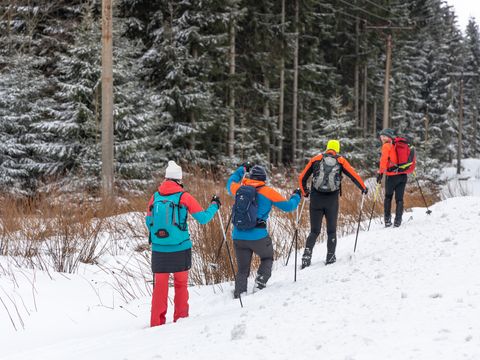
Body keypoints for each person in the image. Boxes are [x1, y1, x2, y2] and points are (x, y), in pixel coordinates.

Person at [146, 160, 220, 327]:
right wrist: (214, 206)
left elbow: (148, 221)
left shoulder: (155, 197)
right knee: (180, 285)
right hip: (180, 247)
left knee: (160, 288)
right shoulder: (183, 196)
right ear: (179, 180)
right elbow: (203, 218)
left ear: (166, 178)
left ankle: (156, 323)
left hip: (159, 249)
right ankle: (180, 322)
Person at [226, 164, 301, 298]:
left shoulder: (239, 188)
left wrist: (242, 169)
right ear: (264, 179)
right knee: (267, 257)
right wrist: (296, 196)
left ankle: (239, 293)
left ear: (250, 177)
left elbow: (230, 182)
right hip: (258, 236)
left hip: (238, 236)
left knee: (243, 269)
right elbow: (289, 206)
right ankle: (259, 284)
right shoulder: (267, 191)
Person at [298, 139, 367, 268]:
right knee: (331, 231)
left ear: (327, 148)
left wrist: (305, 192)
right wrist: (363, 188)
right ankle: (330, 257)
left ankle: (306, 257)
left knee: (314, 231)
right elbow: (353, 175)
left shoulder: (316, 158)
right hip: (332, 201)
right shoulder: (340, 160)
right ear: (337, 149)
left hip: (316, 199)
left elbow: (302, 177)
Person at [376, 128, 407, 227]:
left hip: (392, 177)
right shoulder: (397, 145)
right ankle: (398, 221)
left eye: (383, 136)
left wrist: (380, 173)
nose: (381, 137)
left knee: (388, 197)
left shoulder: (386, 146)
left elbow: (383, 160)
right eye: (381, 136)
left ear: (387, 137)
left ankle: (387, 220)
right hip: (402, 175)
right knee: (399, 199)